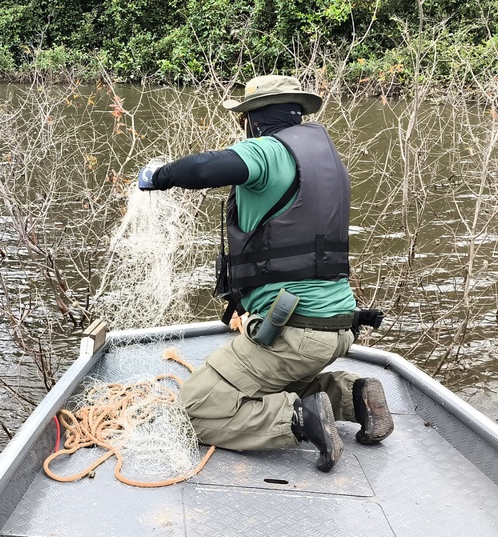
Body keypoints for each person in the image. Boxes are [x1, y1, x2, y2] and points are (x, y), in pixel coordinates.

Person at [137, 75, 393, 472]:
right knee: (271, 380)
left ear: (253, 119)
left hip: (295, 331)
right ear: (296, 113)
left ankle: (298, 420)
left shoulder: (269, 151)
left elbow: (206, 168)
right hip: (338, 326)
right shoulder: (326, 161)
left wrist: (160, 175)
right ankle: (354, 396)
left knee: (195, 406)